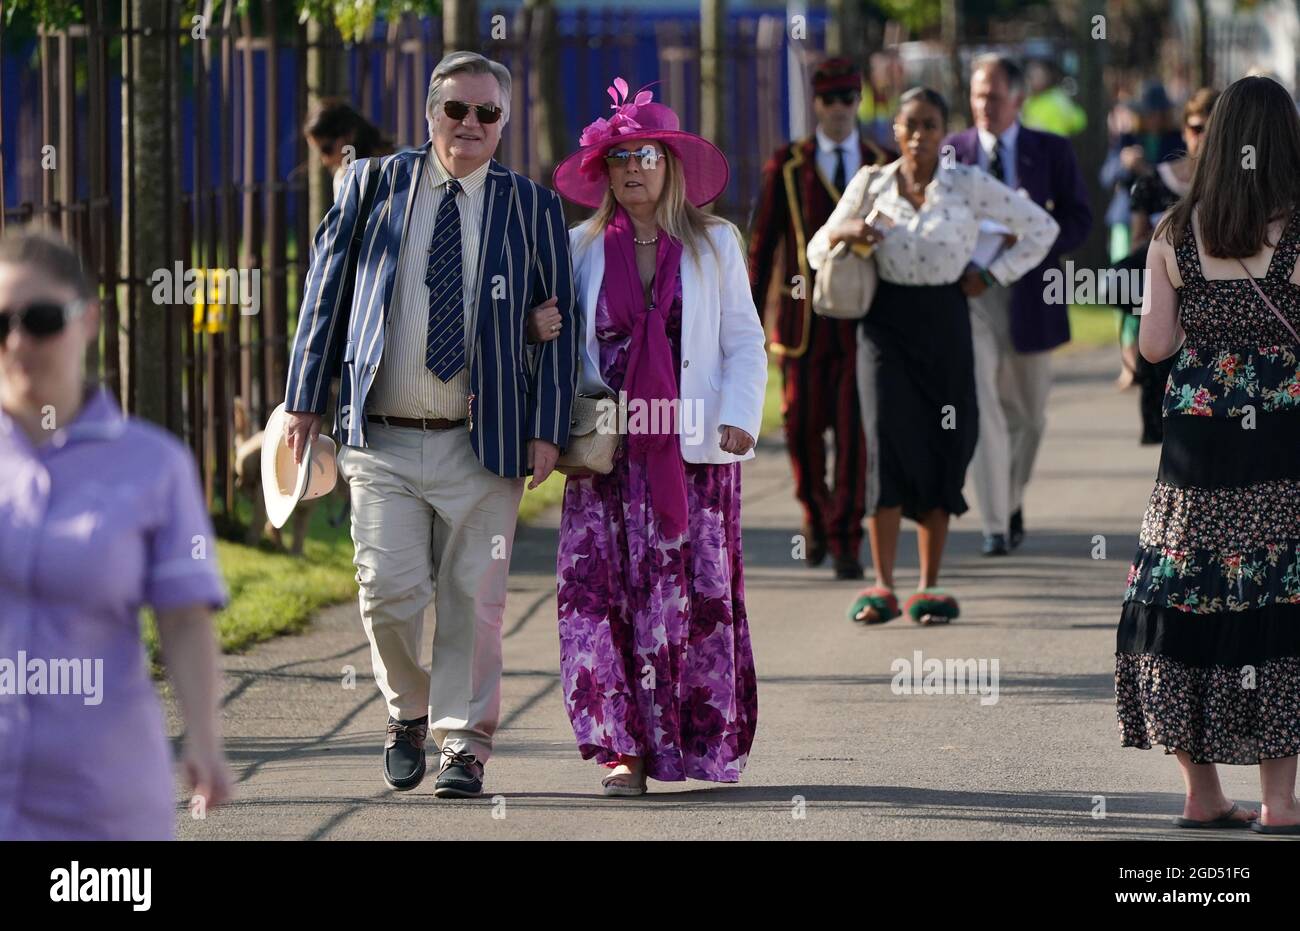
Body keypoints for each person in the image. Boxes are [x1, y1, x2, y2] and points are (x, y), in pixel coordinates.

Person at [283, 51, 578, 798]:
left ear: (505, 123)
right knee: (387, 588)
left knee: (473, 600)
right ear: (429, 114)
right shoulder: (370, 185)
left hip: (488, 441)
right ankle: (407, 711)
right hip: (380, 436)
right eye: (457, 110)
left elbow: (563, 324)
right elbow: (325, 294)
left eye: (487, 113)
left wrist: (546, 425)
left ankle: (462, 744)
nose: (470, 125)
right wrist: (303, 398)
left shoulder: (532, 206)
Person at [547, 78, 767, 795]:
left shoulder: (715, 243)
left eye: (645, 154)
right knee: (598, 595)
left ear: (669, 165)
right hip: (607, 455)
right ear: (604, 171)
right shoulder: (579, 247)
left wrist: (740, 411)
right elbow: (557, 350)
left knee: (690, 597)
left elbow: (744, 340)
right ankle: (622, 750)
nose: (632, 168)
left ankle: (692, 742)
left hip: (690, 454)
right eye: (619, 157)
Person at [0, 229, 231, 839]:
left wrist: (205, 740)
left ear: (89, 321)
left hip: (101, 804)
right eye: (0, 324)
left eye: (41, 319)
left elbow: (184, 618)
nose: (18, 341)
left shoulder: (153, 465)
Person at [1116, 75, 1300, 833]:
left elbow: (1156, 344)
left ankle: (1202, 793)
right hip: (1280, 443)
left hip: (1195, 447)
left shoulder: (1173, 230)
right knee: (1272, 603)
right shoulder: (1294, 232)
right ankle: (1282, 802)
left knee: (1184, 595)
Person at [809, 87, 1058, 627]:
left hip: (946, 321)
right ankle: (881, 585)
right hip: (884, 326)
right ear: (895, 131)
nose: (919, 135)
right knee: (886, 441)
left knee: (946, 440)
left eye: (930, 124)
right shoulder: (872, 183)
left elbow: (1042, 228)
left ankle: (929, 585)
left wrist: (993, 274)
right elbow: (815, 247)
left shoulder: (967, 185)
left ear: (945, 131)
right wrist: (845, 230)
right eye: (910, 125)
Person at [944, 54, 1093, 556]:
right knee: (985, 408)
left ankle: (1010, 500)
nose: (984, 105)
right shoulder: (953, 153)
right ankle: (994, 525)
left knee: (1028, 418)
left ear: (1018, 100)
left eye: (994, 95)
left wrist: (1027, 240)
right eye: (977, 94)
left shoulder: (1050, 150)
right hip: (971, 297)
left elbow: (1079, 219)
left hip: (1033, 298)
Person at [748, 56, 892, 579]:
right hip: (802, 320)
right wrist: (747, 323)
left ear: (859, 101)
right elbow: (763, 248)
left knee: (855, 433)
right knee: (803, 428)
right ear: (816, 102)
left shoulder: (882, 162)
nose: (838, 109)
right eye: (829, 99)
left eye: (848, 98)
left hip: (862, 318)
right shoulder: (787, 164)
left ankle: (847, 537)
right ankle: (815, 510)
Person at [1123, 87, 1218, 445]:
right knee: (1168, 437)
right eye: (1196, 128)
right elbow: (1135, 242)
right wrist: (1164, 249)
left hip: (1209, 328)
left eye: (1213, 129)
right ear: (1184, 130)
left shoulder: (1235, 192)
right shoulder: (1151, 183)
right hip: (1164, 311)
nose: (1203, 138)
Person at [1101, 81, 1183, 387]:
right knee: (1124, 285)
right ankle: (1128, 359)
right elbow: (1105, 175)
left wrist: (1146, 166)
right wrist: (1124, 165)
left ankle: (1149, 359)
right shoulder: (1126, 138)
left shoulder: (1176, 139)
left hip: (1159, 223)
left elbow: (1173, 175)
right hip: (1125, 220)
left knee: (1154, 291)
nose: (1153, 118)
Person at [303, 98, 396, 201]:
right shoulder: (342, 180)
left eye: (327, 150)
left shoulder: (406, 164)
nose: (325, 161)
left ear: (349, 135)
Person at [1021, 58, 1087, 138]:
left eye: (1039, 75)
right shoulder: (1025, 100)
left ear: (1047, 76)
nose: (1036, 79)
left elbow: (1079, 122)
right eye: (1032, 75)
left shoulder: (1057, 98)